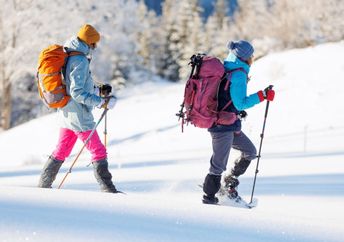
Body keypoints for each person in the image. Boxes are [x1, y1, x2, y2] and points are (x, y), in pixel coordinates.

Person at [38, 24, 119, 193]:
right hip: (78, 114)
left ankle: (43, 187)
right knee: (98, 150)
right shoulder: (80, 59)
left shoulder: (69, 53)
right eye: (95, 43)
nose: (96, 47)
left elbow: (72, 84)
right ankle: (108, 189)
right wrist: (101, 102)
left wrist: (99, 89)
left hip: (66, 112)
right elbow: (77, 92)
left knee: (62, 149)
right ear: (90, 43)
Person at [202, 40, 275, 204]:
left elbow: (227, 98)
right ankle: (209, 197)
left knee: (250, 151)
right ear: (246, 57)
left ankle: (229, 183)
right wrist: (262, 96)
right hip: (222, 127)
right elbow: (240, 102)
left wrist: (237, 112)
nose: (252, 58)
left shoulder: (228, 67)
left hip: (229, 123)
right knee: (218, 163)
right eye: (251, 55)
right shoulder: (238, 74)